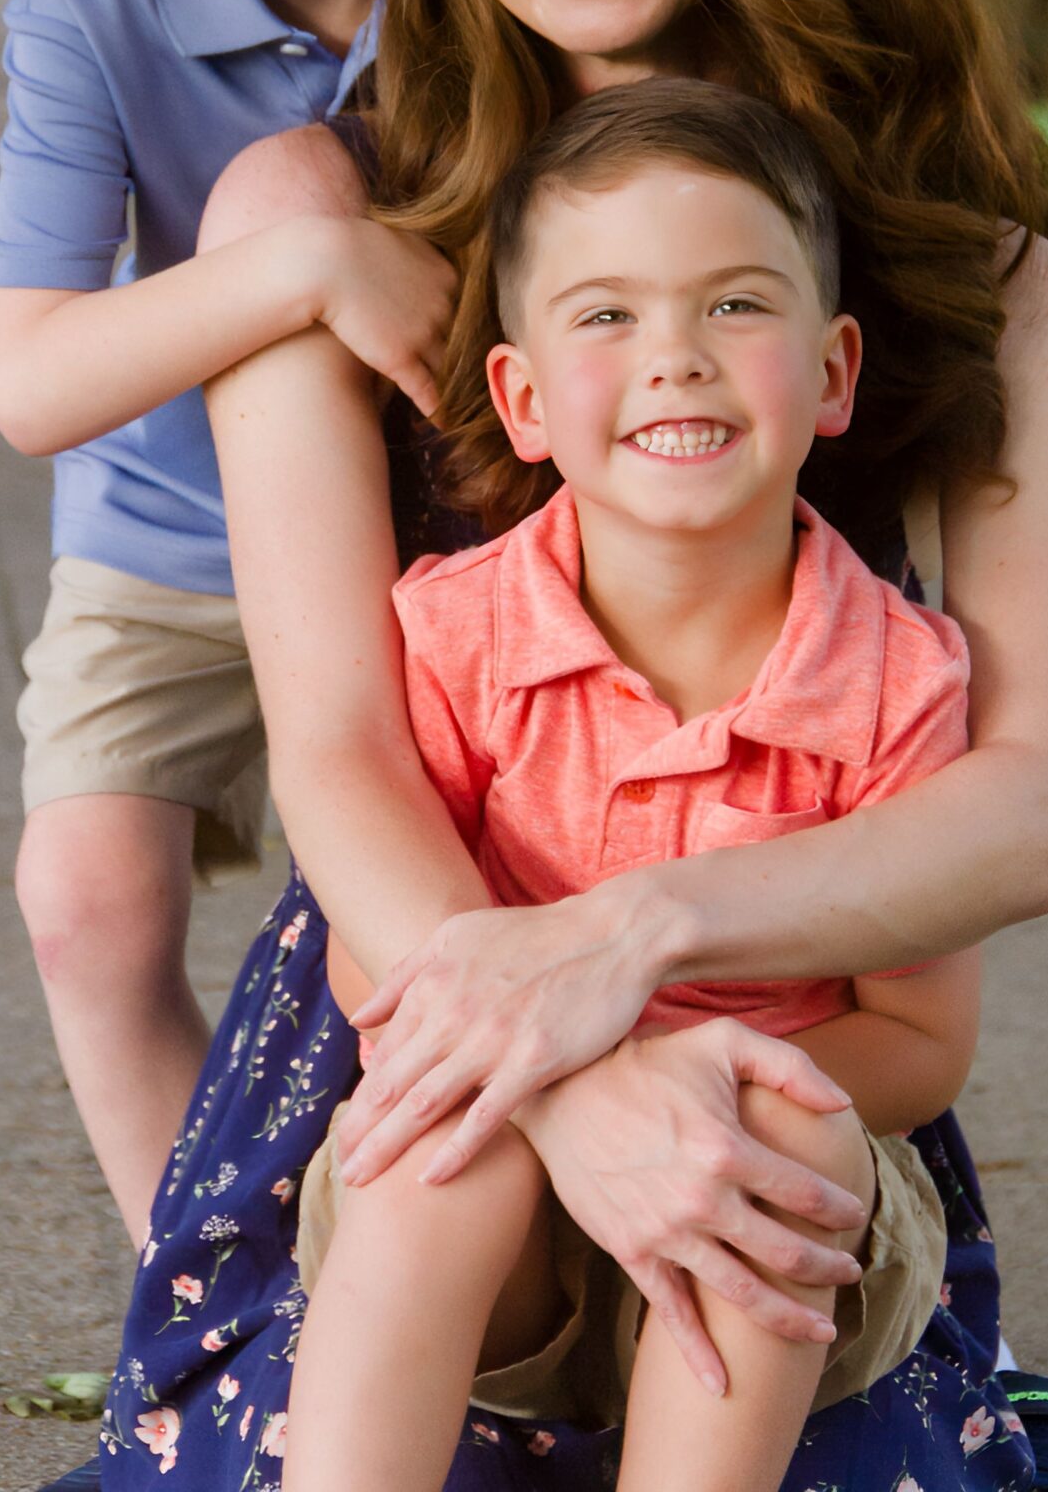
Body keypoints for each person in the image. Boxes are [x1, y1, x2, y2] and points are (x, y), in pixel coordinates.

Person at [100, 0, 1048, 1491]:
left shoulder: (975, 273)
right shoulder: (321, 225)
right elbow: (334, 751)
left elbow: (1029, 801)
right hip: (425, 1006)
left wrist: (635, 948)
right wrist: (560, 1063)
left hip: (774, 1033)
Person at [286, 79, 1000, 1492]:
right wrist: (587, 1080)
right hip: (492, 1240)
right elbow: (385, 968)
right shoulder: (453, 634)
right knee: (451, 1119)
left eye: (735, 306)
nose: (674, 358)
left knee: (777, 1116)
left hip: (783, 1243)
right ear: (524, 396)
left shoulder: (896, 682)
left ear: (835, 370)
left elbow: (919, 1043)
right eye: (608, 316)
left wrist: (702, 1084)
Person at [0, 0, 453, 1234]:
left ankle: (462, 1309)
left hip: (441, 518)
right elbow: (29, 382)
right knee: (87, 904)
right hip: (170, 529)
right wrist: (299, 270)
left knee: (405, 912)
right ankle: (206, 1315)